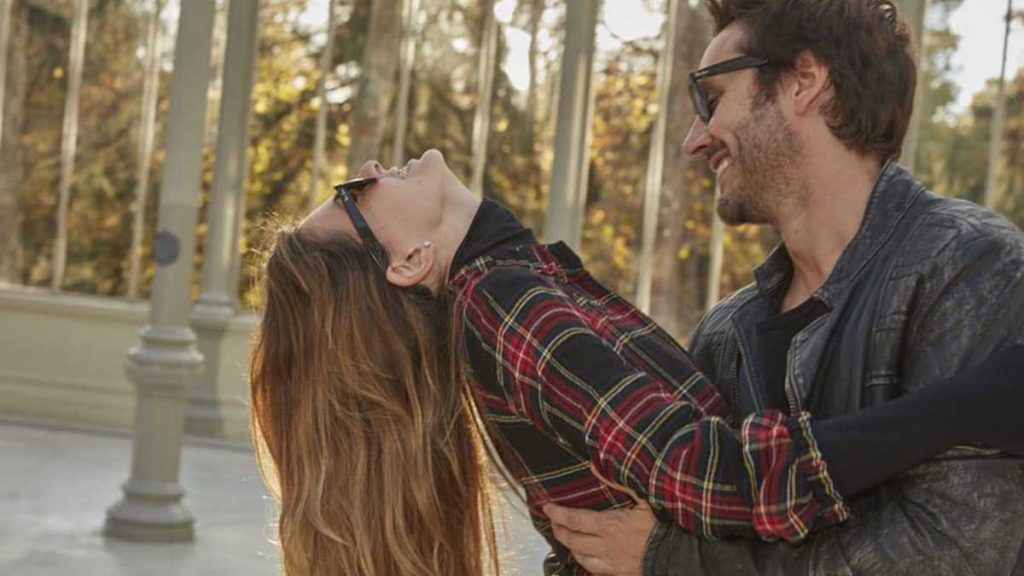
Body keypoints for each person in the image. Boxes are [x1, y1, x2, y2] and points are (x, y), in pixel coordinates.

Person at [250, 150, 1024, 576]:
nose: (372, 164)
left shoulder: (519, 288)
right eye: (354, 192)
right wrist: (969, 405)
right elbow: (707, 470)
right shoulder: (503, 304)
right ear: (409, 261)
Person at [545, 1, 1024, 575]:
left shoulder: (970, 265)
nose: (694, 140)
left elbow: (954, 555)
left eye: (711, 98)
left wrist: (675, 561)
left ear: (804, 80)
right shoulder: (725, 334)